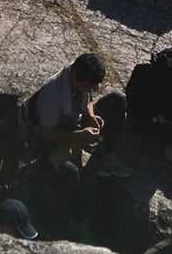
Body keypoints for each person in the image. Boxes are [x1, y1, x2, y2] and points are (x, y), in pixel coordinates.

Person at [25, 53, 127, 231]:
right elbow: (46, 133)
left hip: (73, 122)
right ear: (76, 78)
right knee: (72, 173)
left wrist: (91, 116)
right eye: (90, 85)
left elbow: (87, 100)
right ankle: (74, 220)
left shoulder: (78, 73)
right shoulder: (52, 95)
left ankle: (107, 159)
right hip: (51, 138)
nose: (93, 89)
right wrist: (79, 136)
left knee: (117, 99)